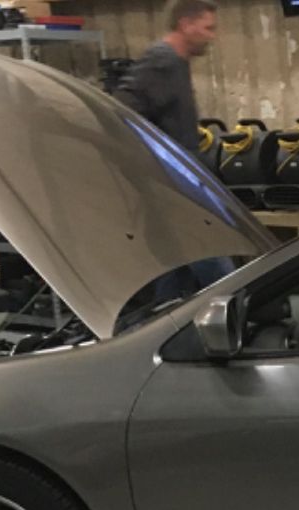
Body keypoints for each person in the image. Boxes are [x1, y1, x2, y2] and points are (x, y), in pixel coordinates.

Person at [116, 0, 235, 302]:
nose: (212, 36)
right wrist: (160, 168)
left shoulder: (175, 64)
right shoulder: (162, 62)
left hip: (178, 187)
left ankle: (164, 320)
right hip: (174, 191)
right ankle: (239, 309)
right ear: (186, 24)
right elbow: (122, 112)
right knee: (216, 262)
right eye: (207, 28)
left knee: (173, 274)